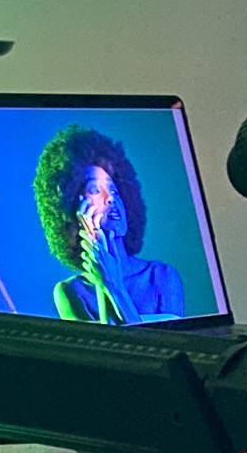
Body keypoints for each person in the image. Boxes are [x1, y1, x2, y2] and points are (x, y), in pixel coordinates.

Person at [33, 125, 186, 325]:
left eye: (113, 189)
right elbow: (109, 351)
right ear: (71, 208)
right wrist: (102, 281)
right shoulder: (70, 292)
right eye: (95, 189)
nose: (110, 199)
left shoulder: (161, 276)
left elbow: (155, 347)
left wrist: (111, 284)